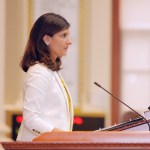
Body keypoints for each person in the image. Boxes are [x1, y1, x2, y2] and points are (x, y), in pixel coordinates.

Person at [16, 13, 74, 141]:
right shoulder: (39, 72)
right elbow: (30, 119)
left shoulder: (51, 71)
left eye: (68, 36)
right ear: (47, 39)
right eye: (64, 36)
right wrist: (64, 137)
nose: (69, 41)